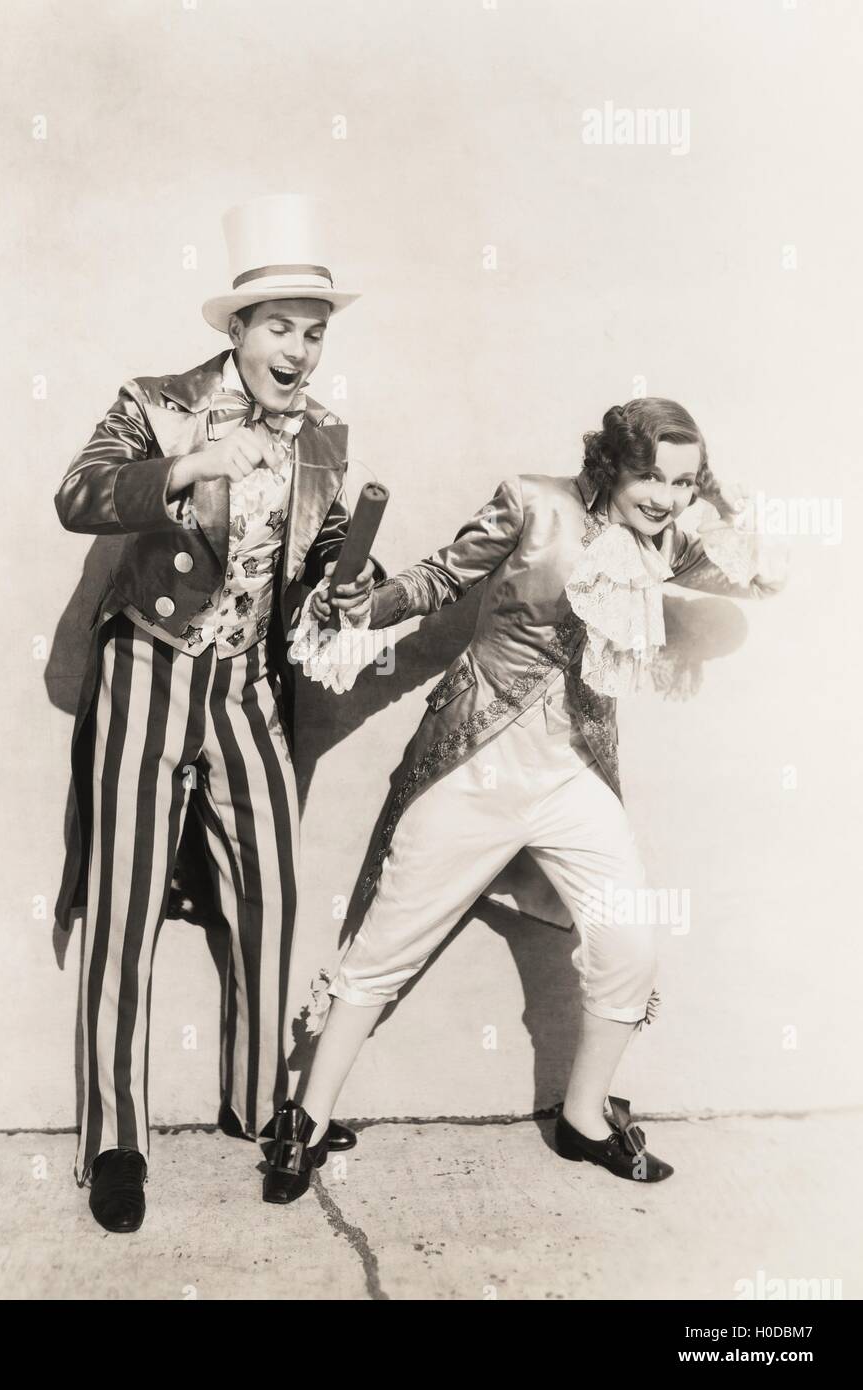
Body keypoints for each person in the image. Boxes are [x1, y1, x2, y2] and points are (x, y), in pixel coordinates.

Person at [261, 397, 787, 1202]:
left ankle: (584, 1119)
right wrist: (365, 606)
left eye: (681, 481)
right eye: (650, 474)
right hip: (477, 759)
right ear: (611, 464)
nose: (664, 496)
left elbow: (764, 580)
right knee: (383, 947)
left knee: (631, 943)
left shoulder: (672, 542)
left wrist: (722, 500)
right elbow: (442, 577)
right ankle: (303, 1120)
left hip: (575, 771)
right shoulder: (532, 500)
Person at [53, 194, 377, 1231]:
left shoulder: (324, 437)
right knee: (123, 912)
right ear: (234, 330)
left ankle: (259, 1104)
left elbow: (316, 562)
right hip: (147, 673)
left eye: (314, 329)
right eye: (278, 325)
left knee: (272, 894)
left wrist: (342, 596)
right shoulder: (156, 402)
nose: (299, 348)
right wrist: (183, 468)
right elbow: (76, 494)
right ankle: (114, 1140)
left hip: (243, 686)